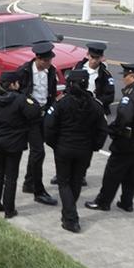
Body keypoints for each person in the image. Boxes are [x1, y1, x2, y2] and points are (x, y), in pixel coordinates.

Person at [86, 63, 134, 212]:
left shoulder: (132, 95)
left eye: (125, 76)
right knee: (133, 171)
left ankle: (103, 202)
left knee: (112, 172)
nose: (123, 79)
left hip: (127, 141)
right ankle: (127, 202)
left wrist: (114, 130)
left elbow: (124, 117)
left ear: (133, 77)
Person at [44, 70, 108, 233]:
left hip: (64, 149)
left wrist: (55, 145)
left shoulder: (61, 103)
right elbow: (102, 130)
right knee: (76, 181)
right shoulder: (95, 105)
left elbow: (49, 127)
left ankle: (71, 219)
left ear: (70, 84)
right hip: (84, 151)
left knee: (64, 183)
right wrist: (94, 146)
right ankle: (69, 215)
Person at [51, 41, 115, 186]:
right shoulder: (78, 67)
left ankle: (81, 174)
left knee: (86, 144)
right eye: (92, 57)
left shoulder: (105, 74)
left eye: (97, 58)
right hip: (73, 108)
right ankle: (60, 173)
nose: (94, 60)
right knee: (65, 140)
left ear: (101, 58)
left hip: (92, 111)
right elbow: (68, 86)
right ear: (87, 55)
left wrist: (95, 103)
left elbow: (109, 96)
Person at [0, 71, 41, 219]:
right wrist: (29, 98)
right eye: (17, 83)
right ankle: (9, 209)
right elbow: (35, 113)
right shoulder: (20, 100)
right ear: (12, 84)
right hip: (14, 144)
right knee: (11, 177)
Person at [16, 41, 58, 206]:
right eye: (47, 60)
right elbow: (16, 93)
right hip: (29, 117)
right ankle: (38, 191)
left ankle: (29, 183)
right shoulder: (24, 71)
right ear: (38, 59)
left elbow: (52, 92)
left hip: (44, 115)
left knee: (37, 152)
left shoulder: (51, 71)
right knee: (38, 152)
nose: (50, 63)